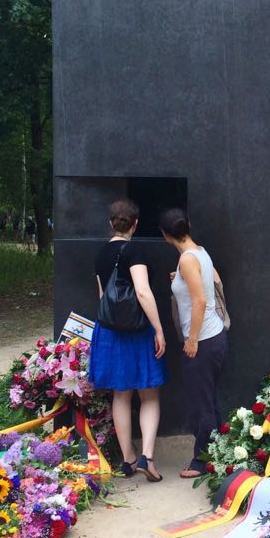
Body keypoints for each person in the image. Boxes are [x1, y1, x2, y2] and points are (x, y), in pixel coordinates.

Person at [89, 199, 167, 482]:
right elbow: (143, 292)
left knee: (120, 394)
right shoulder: (135, 251)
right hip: (136, 331)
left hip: (109, 331)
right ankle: (147, 456)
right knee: (149, 394)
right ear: (135, 223)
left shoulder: (101, 254)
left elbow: (102, 298)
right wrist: (158, 329)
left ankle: (127, 460)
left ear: (111, 223)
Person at [160, 208, 228, 479]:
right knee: (208, 400)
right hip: (215, 337)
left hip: (203, 340)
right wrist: (181, 281)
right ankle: (218, 453)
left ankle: (202, 462)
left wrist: (191, 340)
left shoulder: (188, 260)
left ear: (165, 235)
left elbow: (200, 301)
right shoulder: (199, 251)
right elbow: (215, 282)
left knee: (201, 404)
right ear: (187, 225)